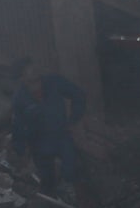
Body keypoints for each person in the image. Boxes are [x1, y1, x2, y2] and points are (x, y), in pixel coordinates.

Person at [9, 62, 88, 199]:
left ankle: (76, 200)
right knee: (47, 182)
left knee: (70, 171)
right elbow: (18, 127)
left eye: (37, 79)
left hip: (61, 136)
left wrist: (74, 118)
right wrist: (21, 151)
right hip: (39, 144)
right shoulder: (19, 99)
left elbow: (78, 94)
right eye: (31, 81)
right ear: (23, 80)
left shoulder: (54, 82)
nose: (36, 85)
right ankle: (53, 207)